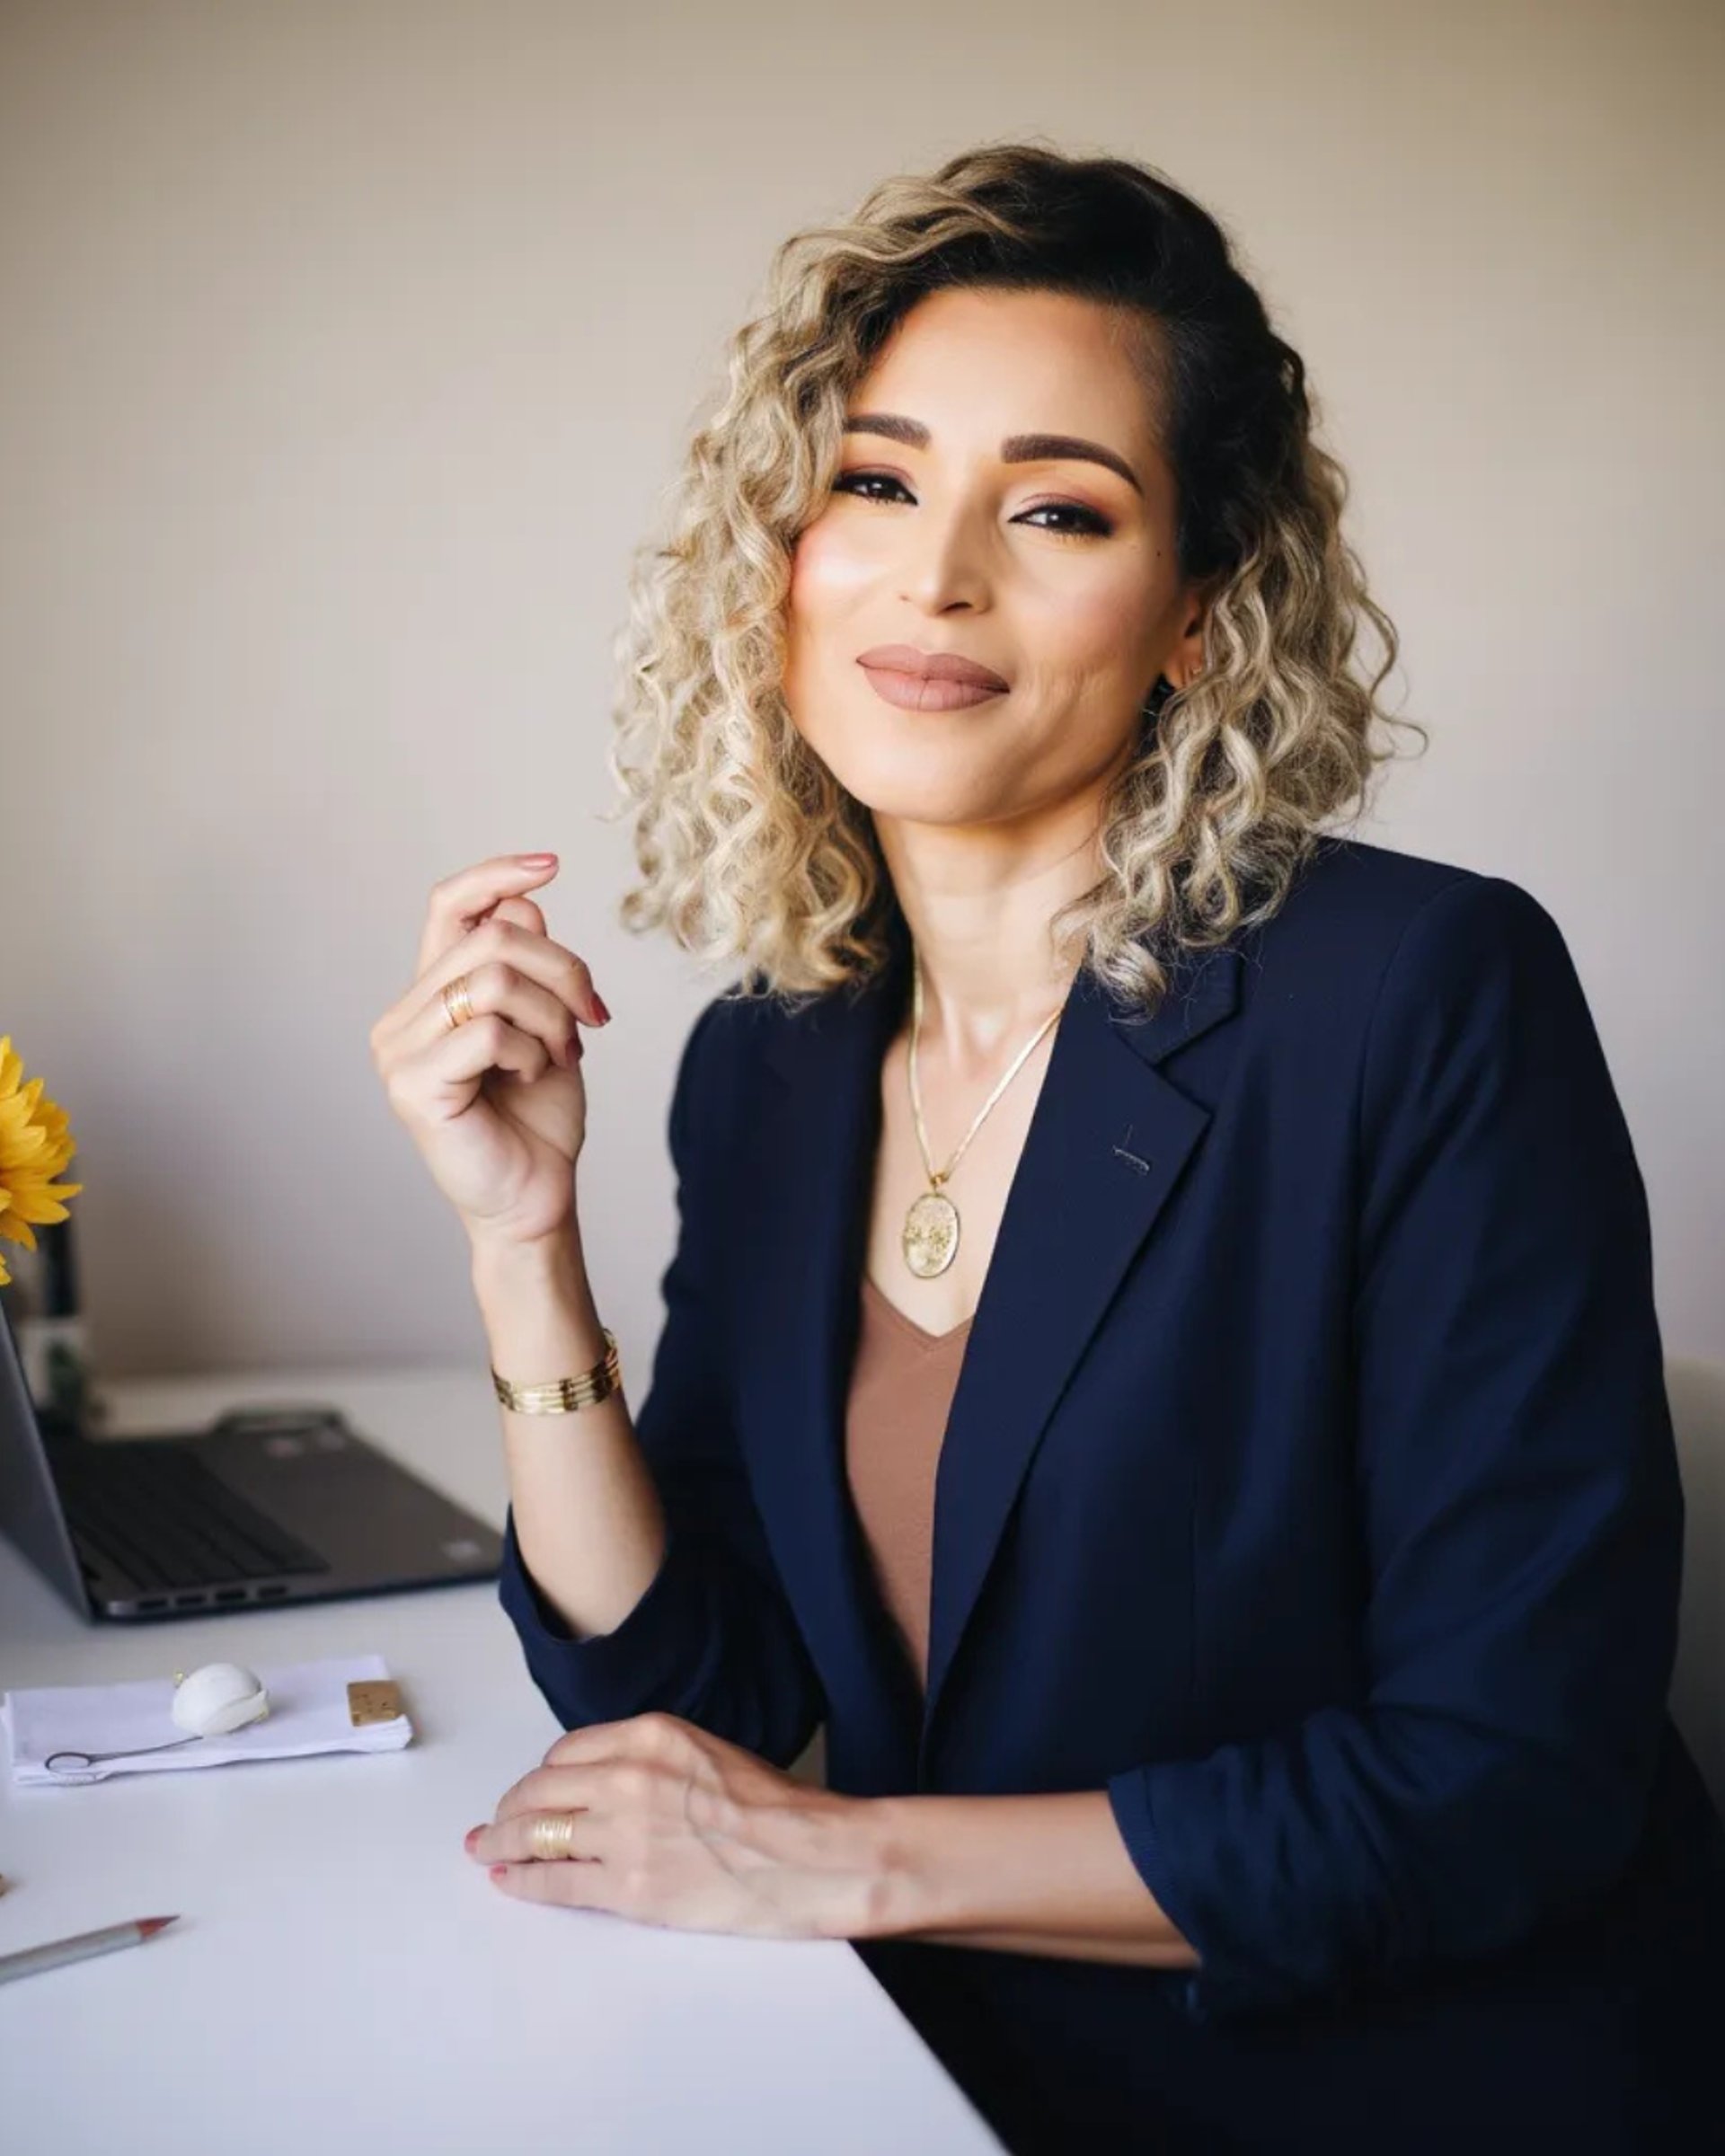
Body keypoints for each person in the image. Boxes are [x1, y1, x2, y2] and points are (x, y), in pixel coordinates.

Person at [369, 143, 1725, 2153]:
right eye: (879, 483)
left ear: (1195, 616)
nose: (939, 578)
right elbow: (703, 1701)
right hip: (944, 2073)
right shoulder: (775, 1059)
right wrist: (519, 1244)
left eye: (1059, 511)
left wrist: (849, 1862)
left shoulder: (1422, 993)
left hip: (1398, 2083)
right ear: (783, 562)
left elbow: (1508, 1779)